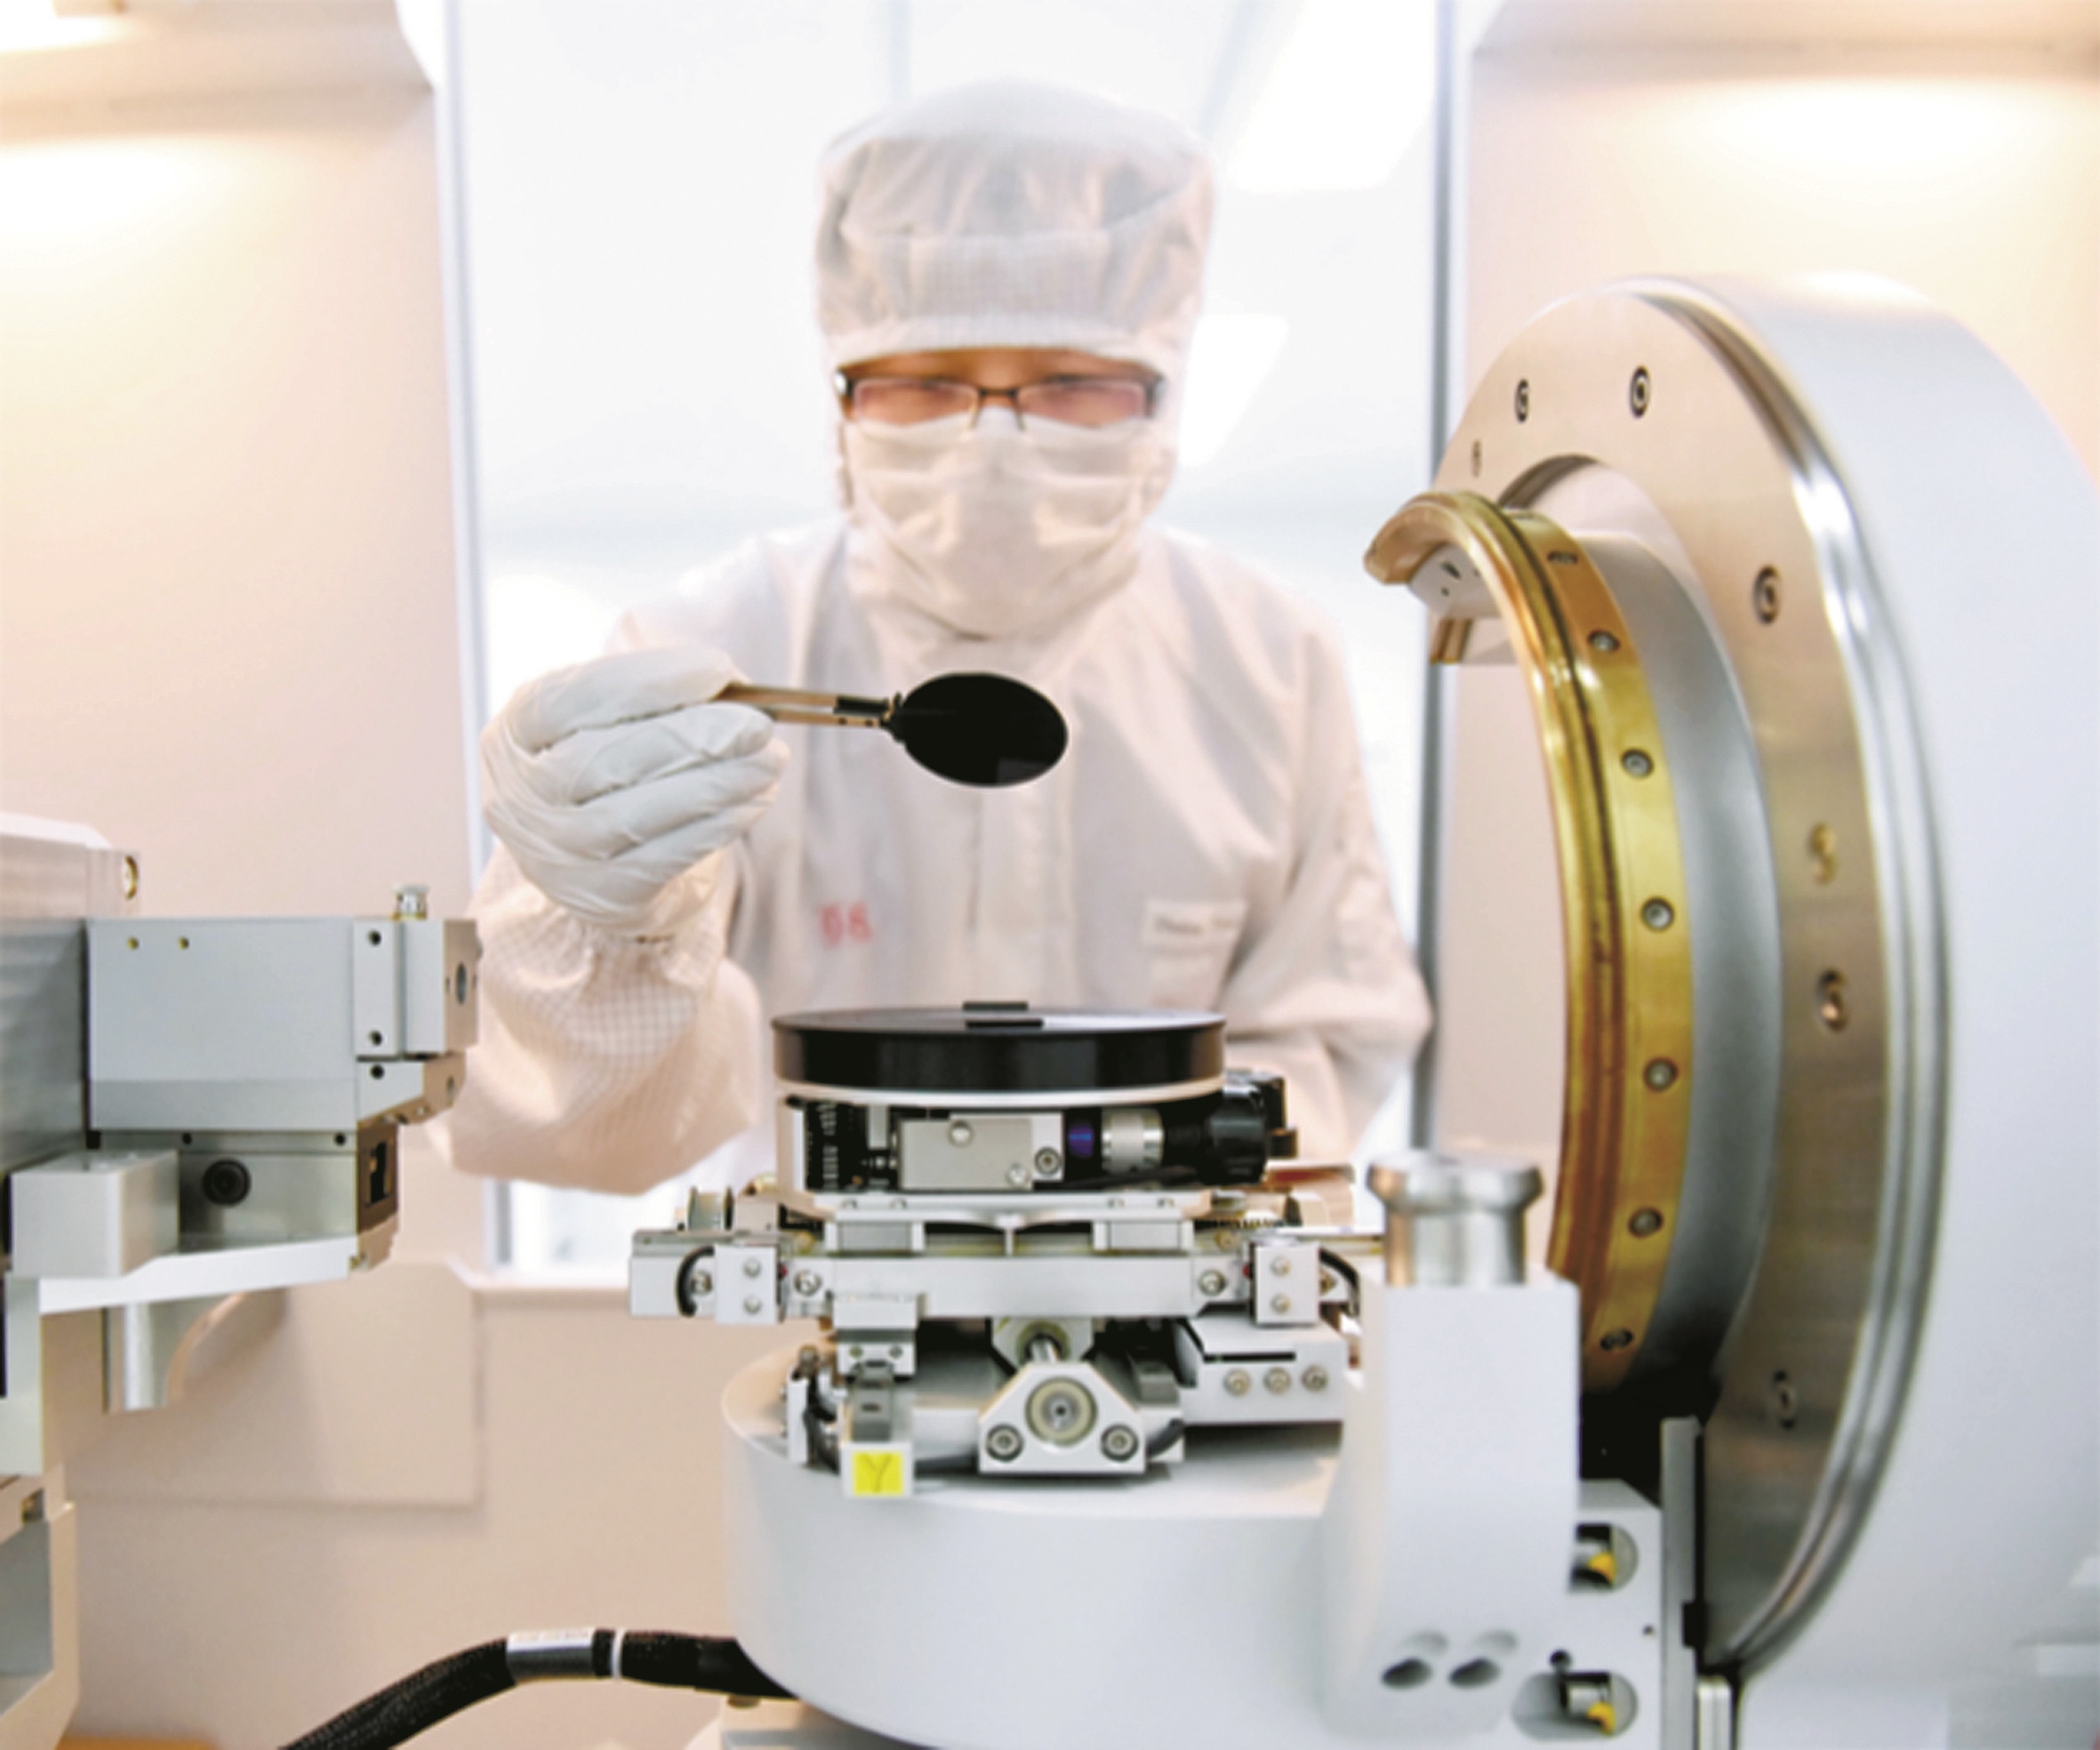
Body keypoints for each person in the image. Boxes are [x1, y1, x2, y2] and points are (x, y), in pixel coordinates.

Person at [452, 80, 1429, 1196]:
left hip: (1164, 1282)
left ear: (1160, 395)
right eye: (923, 385)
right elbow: (580, 1125)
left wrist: (1119, 1183)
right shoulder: (719, 649)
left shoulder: (1270, 663)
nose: (993, 445)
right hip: (812, 1280)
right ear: (843, 399)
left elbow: (1325, 1041)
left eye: (1070, 386)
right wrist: (607, 931)